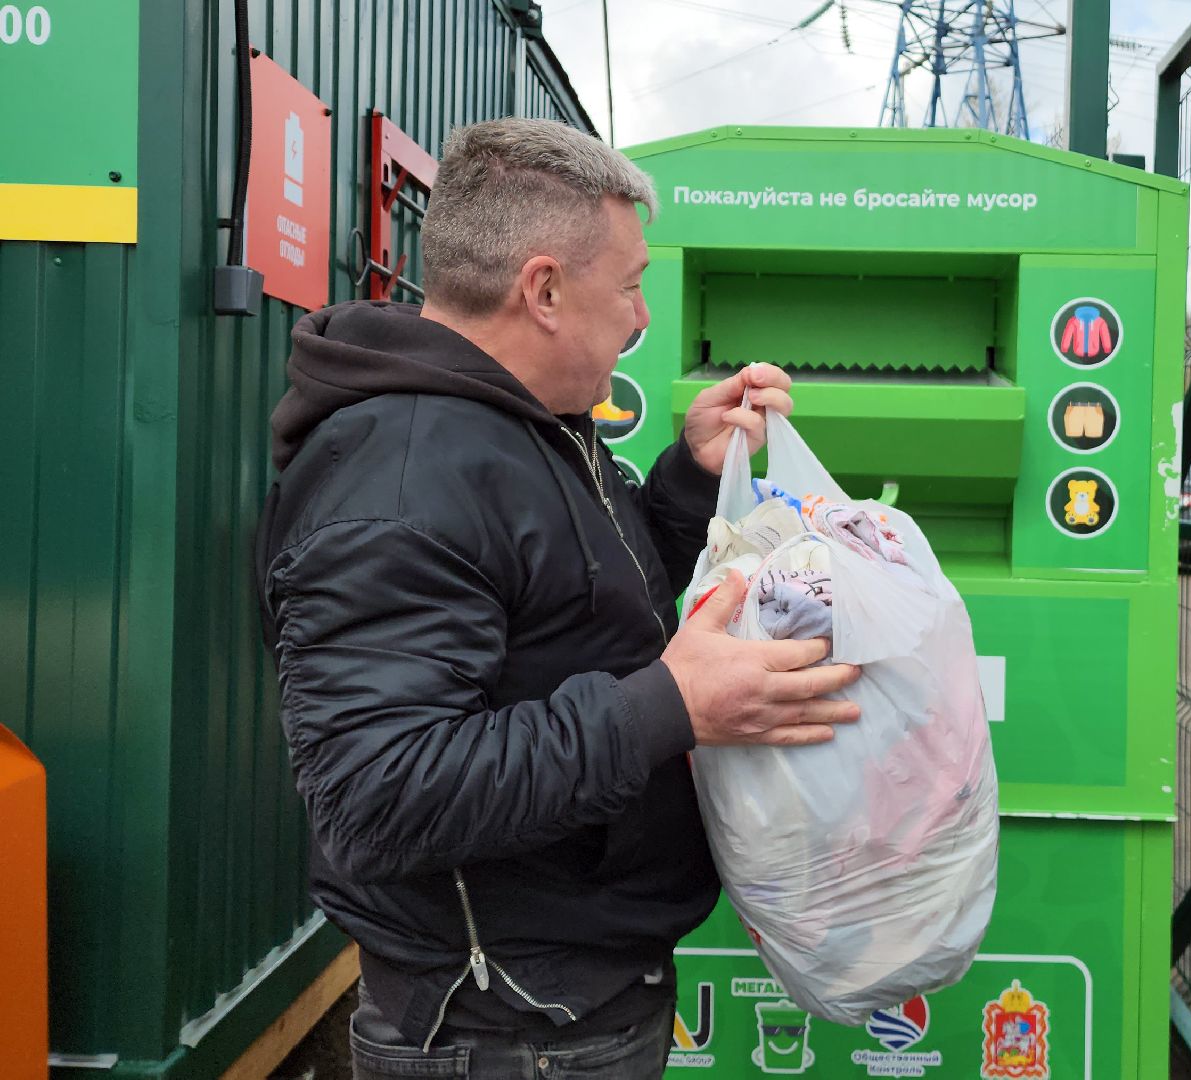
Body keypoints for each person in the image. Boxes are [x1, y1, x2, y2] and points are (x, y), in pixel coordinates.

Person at [254, 117, 861, 1080]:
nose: (643, 316)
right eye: (629, 285)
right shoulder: (404, 483)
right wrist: (674, 707)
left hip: (560, 1001)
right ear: (542, 289)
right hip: (501, 1030)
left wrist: (687, 483)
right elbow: (376, 795)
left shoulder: (525, 426)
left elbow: (578, 611)